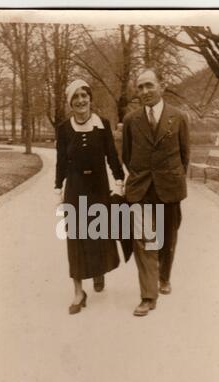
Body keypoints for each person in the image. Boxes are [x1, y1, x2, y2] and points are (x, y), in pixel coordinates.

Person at [122, 69, 190, 316]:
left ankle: (164, 276)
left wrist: (170, 176)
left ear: (162, 86)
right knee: (144, 242)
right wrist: (142, 176)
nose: (144, 92)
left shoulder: (179, 117)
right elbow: (127, 156)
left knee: (167, 238)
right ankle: (148, 296)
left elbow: (185, 156)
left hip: (169, 187)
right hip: (141, 188)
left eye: (149, 85)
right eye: (139, 88)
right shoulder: (131, 120)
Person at [55, 79, 125, 314]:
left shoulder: (102, 125)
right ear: (70, 102)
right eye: (76, 96)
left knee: (98, 234)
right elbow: (61, 161)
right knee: (75, 239)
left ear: (90, 98)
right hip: (75, 188)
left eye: (84, 95)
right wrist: (58, 188)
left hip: (98, 187)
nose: (81, 100)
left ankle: (98, 271)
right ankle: (78, 292)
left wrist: (118, 181)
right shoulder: (64, 129)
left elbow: (111, 155)